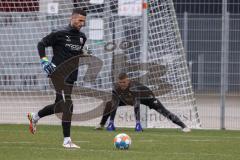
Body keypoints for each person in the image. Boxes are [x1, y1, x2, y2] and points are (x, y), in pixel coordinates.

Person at [27, 8, 88, 149]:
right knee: (68, 105)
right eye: (80, 20)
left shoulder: (82, 37)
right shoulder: (59, 33)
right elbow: (41, 44)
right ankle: (67, 140)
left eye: (84, 21)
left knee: (59, 106)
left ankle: (35, 116)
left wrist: (84, 52)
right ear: (72, 18)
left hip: (71, 76)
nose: (82, 23)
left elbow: (77, 53)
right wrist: (44, 60)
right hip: (58, 73)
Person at [95, 73, 191, 132]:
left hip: (148, 98)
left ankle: (184, 126)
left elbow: (136, 104)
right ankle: (102, 124)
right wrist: (111, 122)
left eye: (124, 82)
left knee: (164, 112)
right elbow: (115, 103)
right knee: (109, 103)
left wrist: (138, 124)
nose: (122, 84)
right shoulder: (116, 88)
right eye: (120, 82)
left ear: (128, 81)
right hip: (129, 99)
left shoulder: (134, 87)